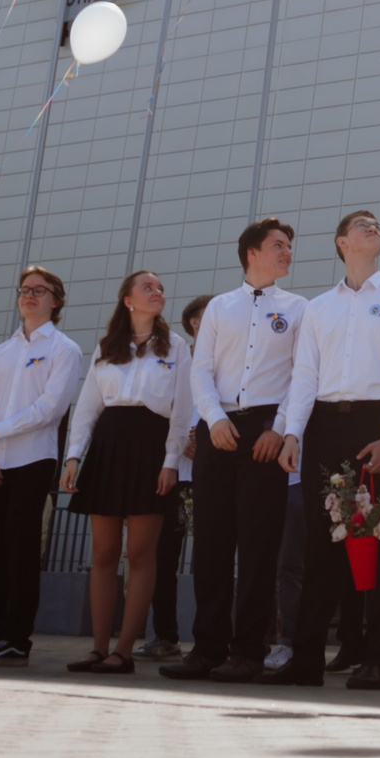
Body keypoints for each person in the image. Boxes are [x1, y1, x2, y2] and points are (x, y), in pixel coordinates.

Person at [272, 210, 380, 689]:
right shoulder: (318, 308)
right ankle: (306, 661)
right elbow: (304, 374)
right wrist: (293, 432)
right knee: (320, 547)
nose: (374, 226)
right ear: (342, 242)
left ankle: (378, 660)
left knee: (378, 541)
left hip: (375, 425)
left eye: (378, 222)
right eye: (362, 224)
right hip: (323, 424)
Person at [162, 218, 308, 684]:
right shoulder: (220, 308)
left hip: (265, 433)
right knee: (211, 545)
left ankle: (248, 650)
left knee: (260, 547)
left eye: (289, 246)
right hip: (218, 430)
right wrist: (213, 418)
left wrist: (281, 429)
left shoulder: (300, 308)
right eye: (278, 245)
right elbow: (200, 369)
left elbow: (304, 375)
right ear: (252, 253)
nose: (287, 252)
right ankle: (206, 648)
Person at [60, 270, 190, 674]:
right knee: (102, 553)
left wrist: (171, 462)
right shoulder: (106, 347)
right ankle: (98, 648)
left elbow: (182, 413)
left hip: (152, 447)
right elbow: (87, 408)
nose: (158, 293)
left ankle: (125, 651)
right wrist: (73, 457)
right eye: (148, 287)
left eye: (161, 289)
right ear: (128, 300)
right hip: (109, 445)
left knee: (140, 554)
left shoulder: (177, 347)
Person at [0, 265, 85, 665]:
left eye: (40, 290)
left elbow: (50, 409)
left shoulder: (64, 349)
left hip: (32, 460)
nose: (29, 296)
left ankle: (16, 640)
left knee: (21, 551)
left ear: (56, 300)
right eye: (25, 290)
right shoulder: (1, 352)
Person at [141, 295, 211, 660]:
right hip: (174, 473)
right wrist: (182, 439)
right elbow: (158, 403)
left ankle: (210, 638)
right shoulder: (176, 357)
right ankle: (165, 635)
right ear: (194, 324)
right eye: (205, 317)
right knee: (163, 556)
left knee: (209, 559)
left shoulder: (232, 359)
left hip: (212, 474)